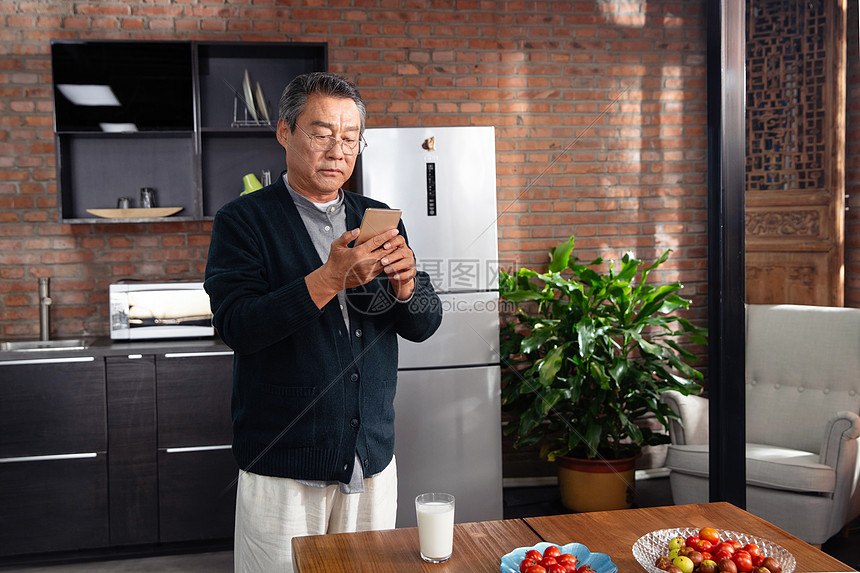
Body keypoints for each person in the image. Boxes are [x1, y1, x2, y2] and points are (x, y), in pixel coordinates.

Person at [204, 72, 443, 572]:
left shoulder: (378, 216)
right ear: (284, 132)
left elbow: (423, 324)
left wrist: (406, 285)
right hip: (284, 464)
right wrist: (329, 278)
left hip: (370, 457)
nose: (339, 149)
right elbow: (236, 326)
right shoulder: (243, 222)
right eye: (322, 133)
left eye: (351, 136)